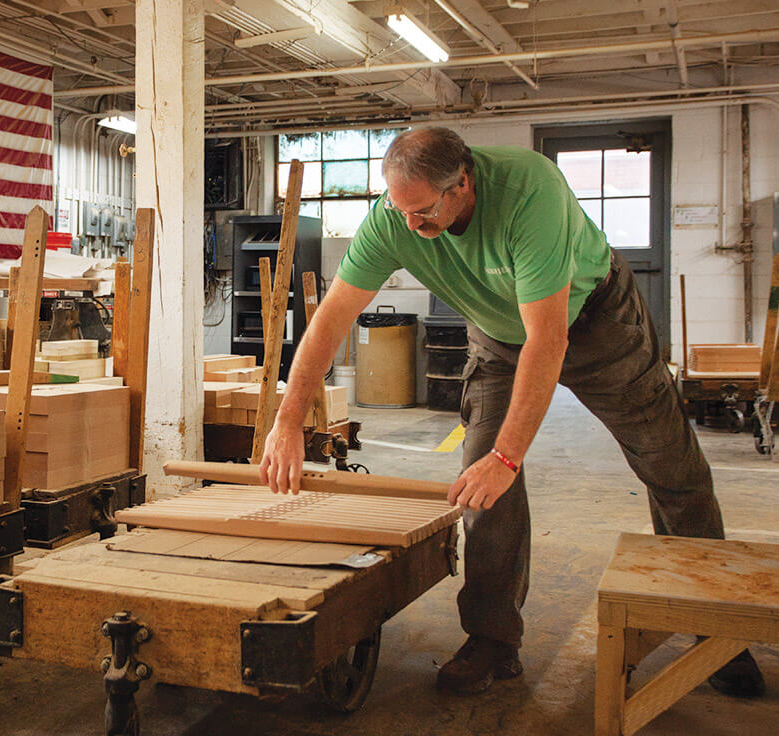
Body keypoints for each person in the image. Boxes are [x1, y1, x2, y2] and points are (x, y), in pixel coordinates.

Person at [258, 127, 764, 697]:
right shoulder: (395, 217)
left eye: (422, 212)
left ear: (463, 182)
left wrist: (510, 454)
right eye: (399, 211)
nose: (410, 227)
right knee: (479, 481)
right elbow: (331, 317)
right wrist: (288, 419)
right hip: (497, 335)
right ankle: (493, 638)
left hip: (593, 321)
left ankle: (718, 629)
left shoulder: (530, 193)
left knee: (672, 467)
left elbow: (547, 341)